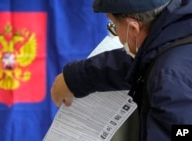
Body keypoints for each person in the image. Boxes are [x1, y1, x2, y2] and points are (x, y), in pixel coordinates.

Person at [50, 0, 192, 141]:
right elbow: (145, 58)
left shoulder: (169, 80)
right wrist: (76, 77)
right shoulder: (179, 33)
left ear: (133, 28)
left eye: (114, 26)